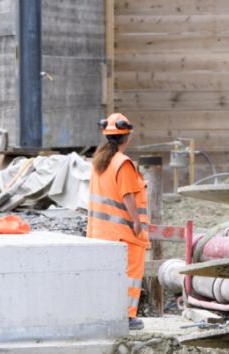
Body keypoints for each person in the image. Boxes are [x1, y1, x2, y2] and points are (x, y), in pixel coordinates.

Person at [87, 113, 149, 330]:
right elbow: (127, 195)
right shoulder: (123, 163)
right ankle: (127, 317)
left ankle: (105, 315)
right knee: (130, 275)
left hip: (100, 231)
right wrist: (136, 223)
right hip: (123, 232)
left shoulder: (100, 161)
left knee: (106, 276)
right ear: (127, 137)